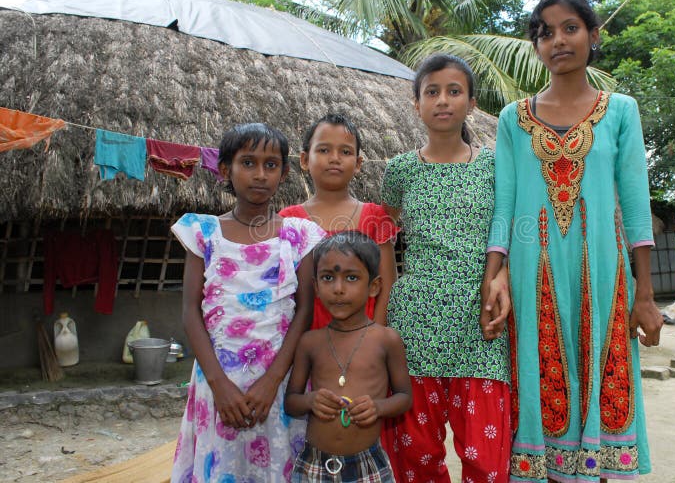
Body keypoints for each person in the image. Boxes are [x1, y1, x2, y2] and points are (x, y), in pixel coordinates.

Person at [483, 0, 664, 482]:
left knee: (602, 382)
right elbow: (504, 206)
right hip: (530, 269)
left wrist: (644, 294)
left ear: (593, 35)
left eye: (570, 28)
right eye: (545, 32)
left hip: (604, 270)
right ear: (535, 46)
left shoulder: (620, 111)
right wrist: (493, 277)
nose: (557, 40)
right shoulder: (511, 119)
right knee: (538, 380)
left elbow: (635, 206)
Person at [170, 123, 327, 482]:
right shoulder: (203, 233)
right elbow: (191, 312)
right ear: (225, 170)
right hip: (217, 383)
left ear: (284, 172)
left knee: (279, 465)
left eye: (271, 165)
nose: (260, 174)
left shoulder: (298, 236)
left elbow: (304, 309)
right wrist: (219, 385)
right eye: (248, 163)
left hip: (280, 383)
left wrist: (272, 380)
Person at [380, 53, 512, 481]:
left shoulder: (495, 165)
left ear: (471, 102)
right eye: (431, 92)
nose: (442, 100)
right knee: (417, 457)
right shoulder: (399, 170)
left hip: (482, 322)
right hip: (414, 326)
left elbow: (508, 232)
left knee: (488, 460)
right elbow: (385, 235)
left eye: (454, 91)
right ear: (416, 103)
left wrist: (501, 276)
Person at [285, 231, 412, 482]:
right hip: (314, 465)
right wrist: (311, 401)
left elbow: (404, 397)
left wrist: (378, 407)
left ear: (374, 286)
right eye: (328, 277)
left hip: (368, 463)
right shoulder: (310, 342)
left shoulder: (386, 340)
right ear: (316, 287)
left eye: (351, 277)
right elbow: (291, 402)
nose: (339, 289)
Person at [279, 114, 399, 328]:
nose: (335, 158)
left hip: (365, 342)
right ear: (305, 160)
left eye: (345, 151)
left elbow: (388, 287)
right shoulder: (288, 220)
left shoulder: (375, 217)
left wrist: (373, 337)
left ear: (358, 163)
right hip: (307, 344)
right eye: (324, 150)